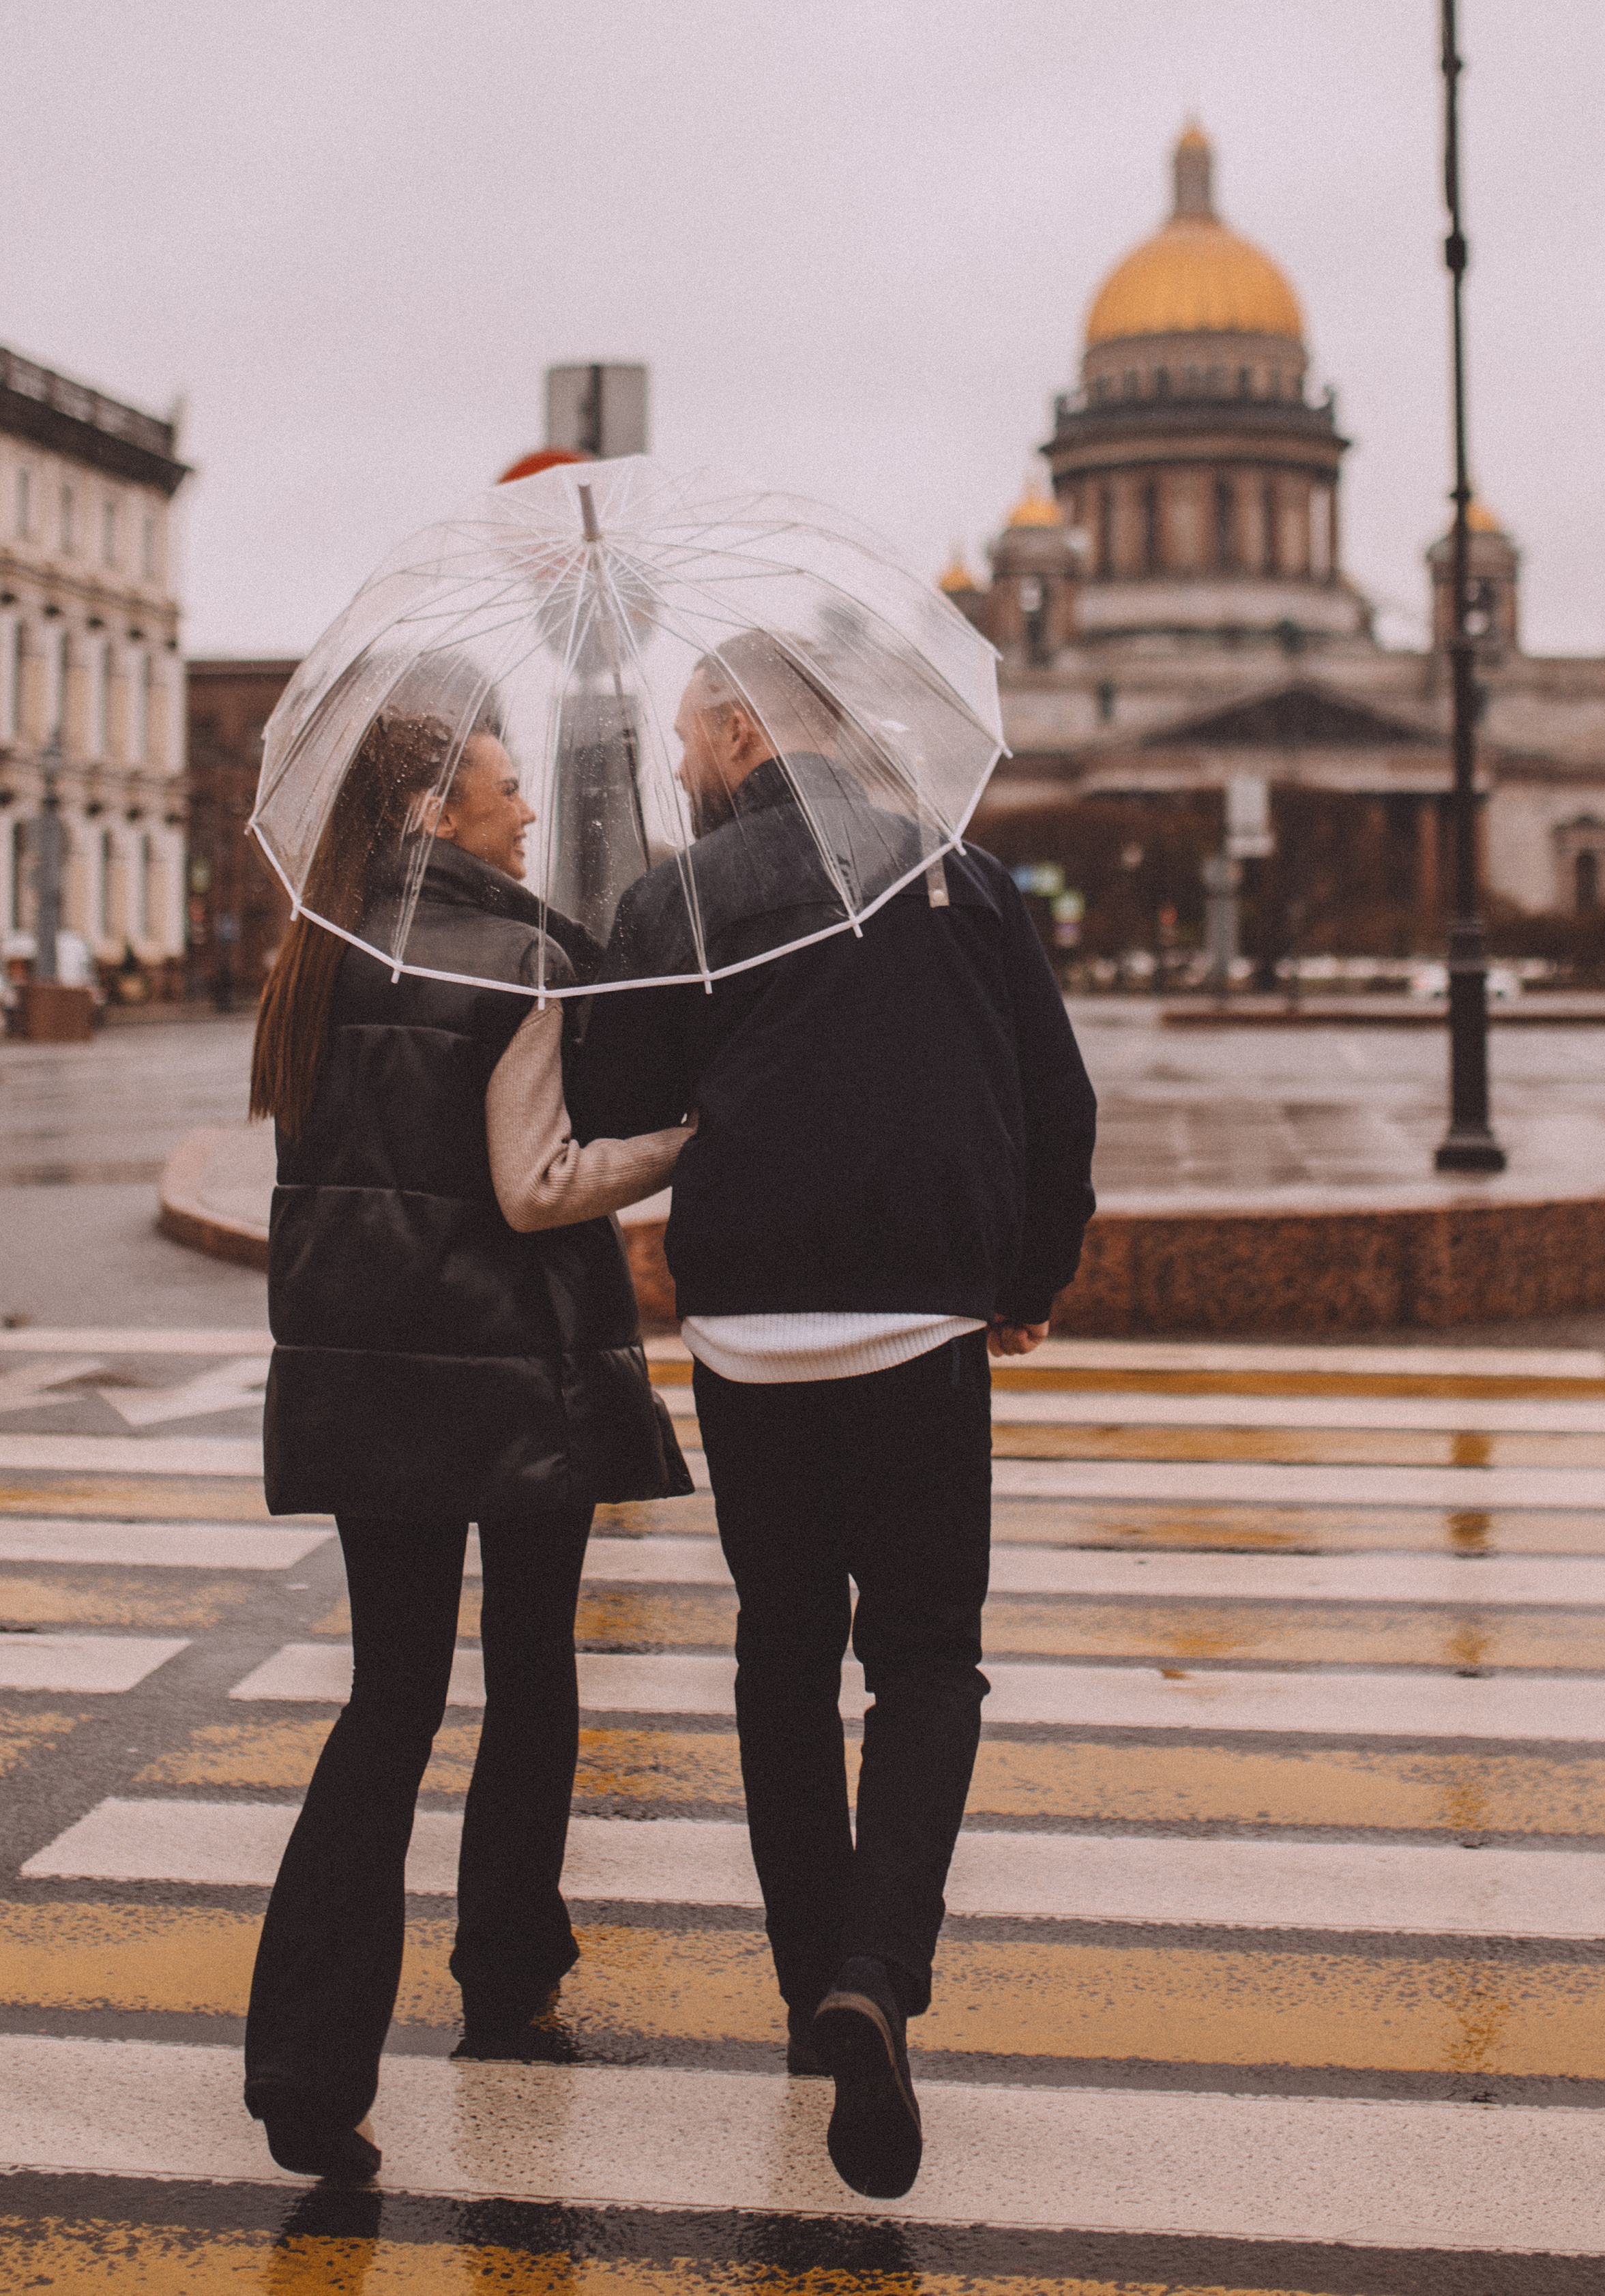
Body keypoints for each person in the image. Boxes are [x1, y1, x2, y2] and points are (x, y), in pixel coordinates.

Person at [572, 633, 1096, 2201]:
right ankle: (877, 1965)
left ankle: (814, 1990)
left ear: (741, 730)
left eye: (682, 735)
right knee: (927, 1656)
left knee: (779, 1651)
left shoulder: (672, 902)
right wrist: (1023, 1271)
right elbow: (1055, 1096)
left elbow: (612, 1107)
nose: (674, 763)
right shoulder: (955, 872)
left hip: (746, 1342)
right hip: (921, 1324)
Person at [243, 709, 693, 2182]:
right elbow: (536, 1183)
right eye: (504, 794)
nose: (522, 819)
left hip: (363, 1377)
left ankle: (308, 2067)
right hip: (509, 1377)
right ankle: (504, 1968)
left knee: (387, 1699)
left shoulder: (315, 954)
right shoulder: (523, 959)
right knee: (532, 1668)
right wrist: (683, 1138)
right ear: (438, 811)